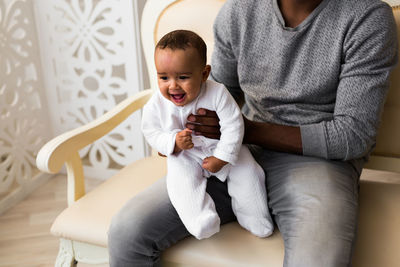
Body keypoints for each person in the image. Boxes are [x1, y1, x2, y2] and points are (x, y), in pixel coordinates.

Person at [108, 0, 398, 266]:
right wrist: (175, 133)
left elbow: (353, 136)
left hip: (318, 162)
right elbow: (218, 93)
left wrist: (244, 131)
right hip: (236, 152)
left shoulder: (366, 17)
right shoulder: (239, 12)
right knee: (127, 232)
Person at [141, 29, 273, 240]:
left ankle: (255, 217)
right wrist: (172, 142)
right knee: (181, 185)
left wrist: (222, 156)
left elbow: (233, 125)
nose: (172, 85)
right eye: (163, 77)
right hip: (185, 155)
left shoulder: (218, 93)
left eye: (183, 77)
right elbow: (150, 130)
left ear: (203, 74)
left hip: (220, 147)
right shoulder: (156, 104)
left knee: (249, 173)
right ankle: (202, 221)